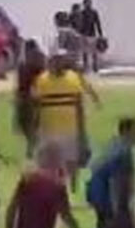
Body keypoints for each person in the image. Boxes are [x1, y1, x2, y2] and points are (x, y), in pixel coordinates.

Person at [31, 45, 100, 186]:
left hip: (69, 128)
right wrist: (34, 128)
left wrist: (81, 130)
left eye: (61, 60)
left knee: (70, 160)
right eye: (55, 60)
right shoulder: (41, 80)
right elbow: (36, 106)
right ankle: (48, 185)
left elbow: (78, 105)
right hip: (48, 128)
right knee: (46, 161)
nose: (58, 63)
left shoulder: (73, 78)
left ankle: (70, 186)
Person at [14, 39, 45, 154]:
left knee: (31, 124)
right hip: (26, 98)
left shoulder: (36, 63)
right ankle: (33, 144)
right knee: (26, 124)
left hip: (31, 98)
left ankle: (32, 148)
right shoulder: (24, 64)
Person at [76, 0, 104, 73]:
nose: (87, 5)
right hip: (84, 34)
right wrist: (79, 32)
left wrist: (100, 34)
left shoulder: (94, 12)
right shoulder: (82, 13)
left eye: (89, 3)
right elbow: (79, 24)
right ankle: (86, 67)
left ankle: (95, 67)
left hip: (92, 34)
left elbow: (97, 23)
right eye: (86, 3)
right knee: (85, 52)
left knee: (94, 52)